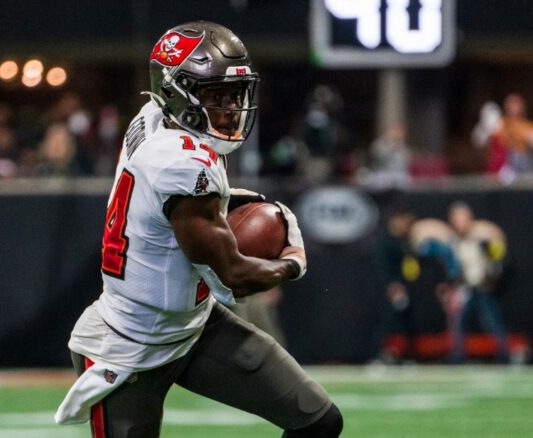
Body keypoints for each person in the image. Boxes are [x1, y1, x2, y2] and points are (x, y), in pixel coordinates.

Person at [55, 21, 342, 437]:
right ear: (177, 91)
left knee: (318, 420)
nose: (229, 108)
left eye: (233, 94)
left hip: (195, 326)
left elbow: (172, 206)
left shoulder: (154, 117)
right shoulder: (182, 164)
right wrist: (293, 262)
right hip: (131, 343)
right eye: (216, 95)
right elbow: (236, 277)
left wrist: (224, 202)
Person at [446, 202, 509, 364]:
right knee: (458, 323)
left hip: (483, 286)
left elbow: (498, 260)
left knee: (493, 322)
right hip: (465, 287)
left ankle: (504, 356)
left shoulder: (481, 236)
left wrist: (492, 274)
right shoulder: (453, 241)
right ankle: (457, 358)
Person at [372, 206, 417, 363]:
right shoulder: (386, 241)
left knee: (406, 324)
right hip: (391, 288)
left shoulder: (404, 241)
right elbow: (384, 268)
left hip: (406, 288)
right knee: (387, 323)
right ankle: (380, 355)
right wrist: (392, 285)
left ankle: (404, 356)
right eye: (406, 222)